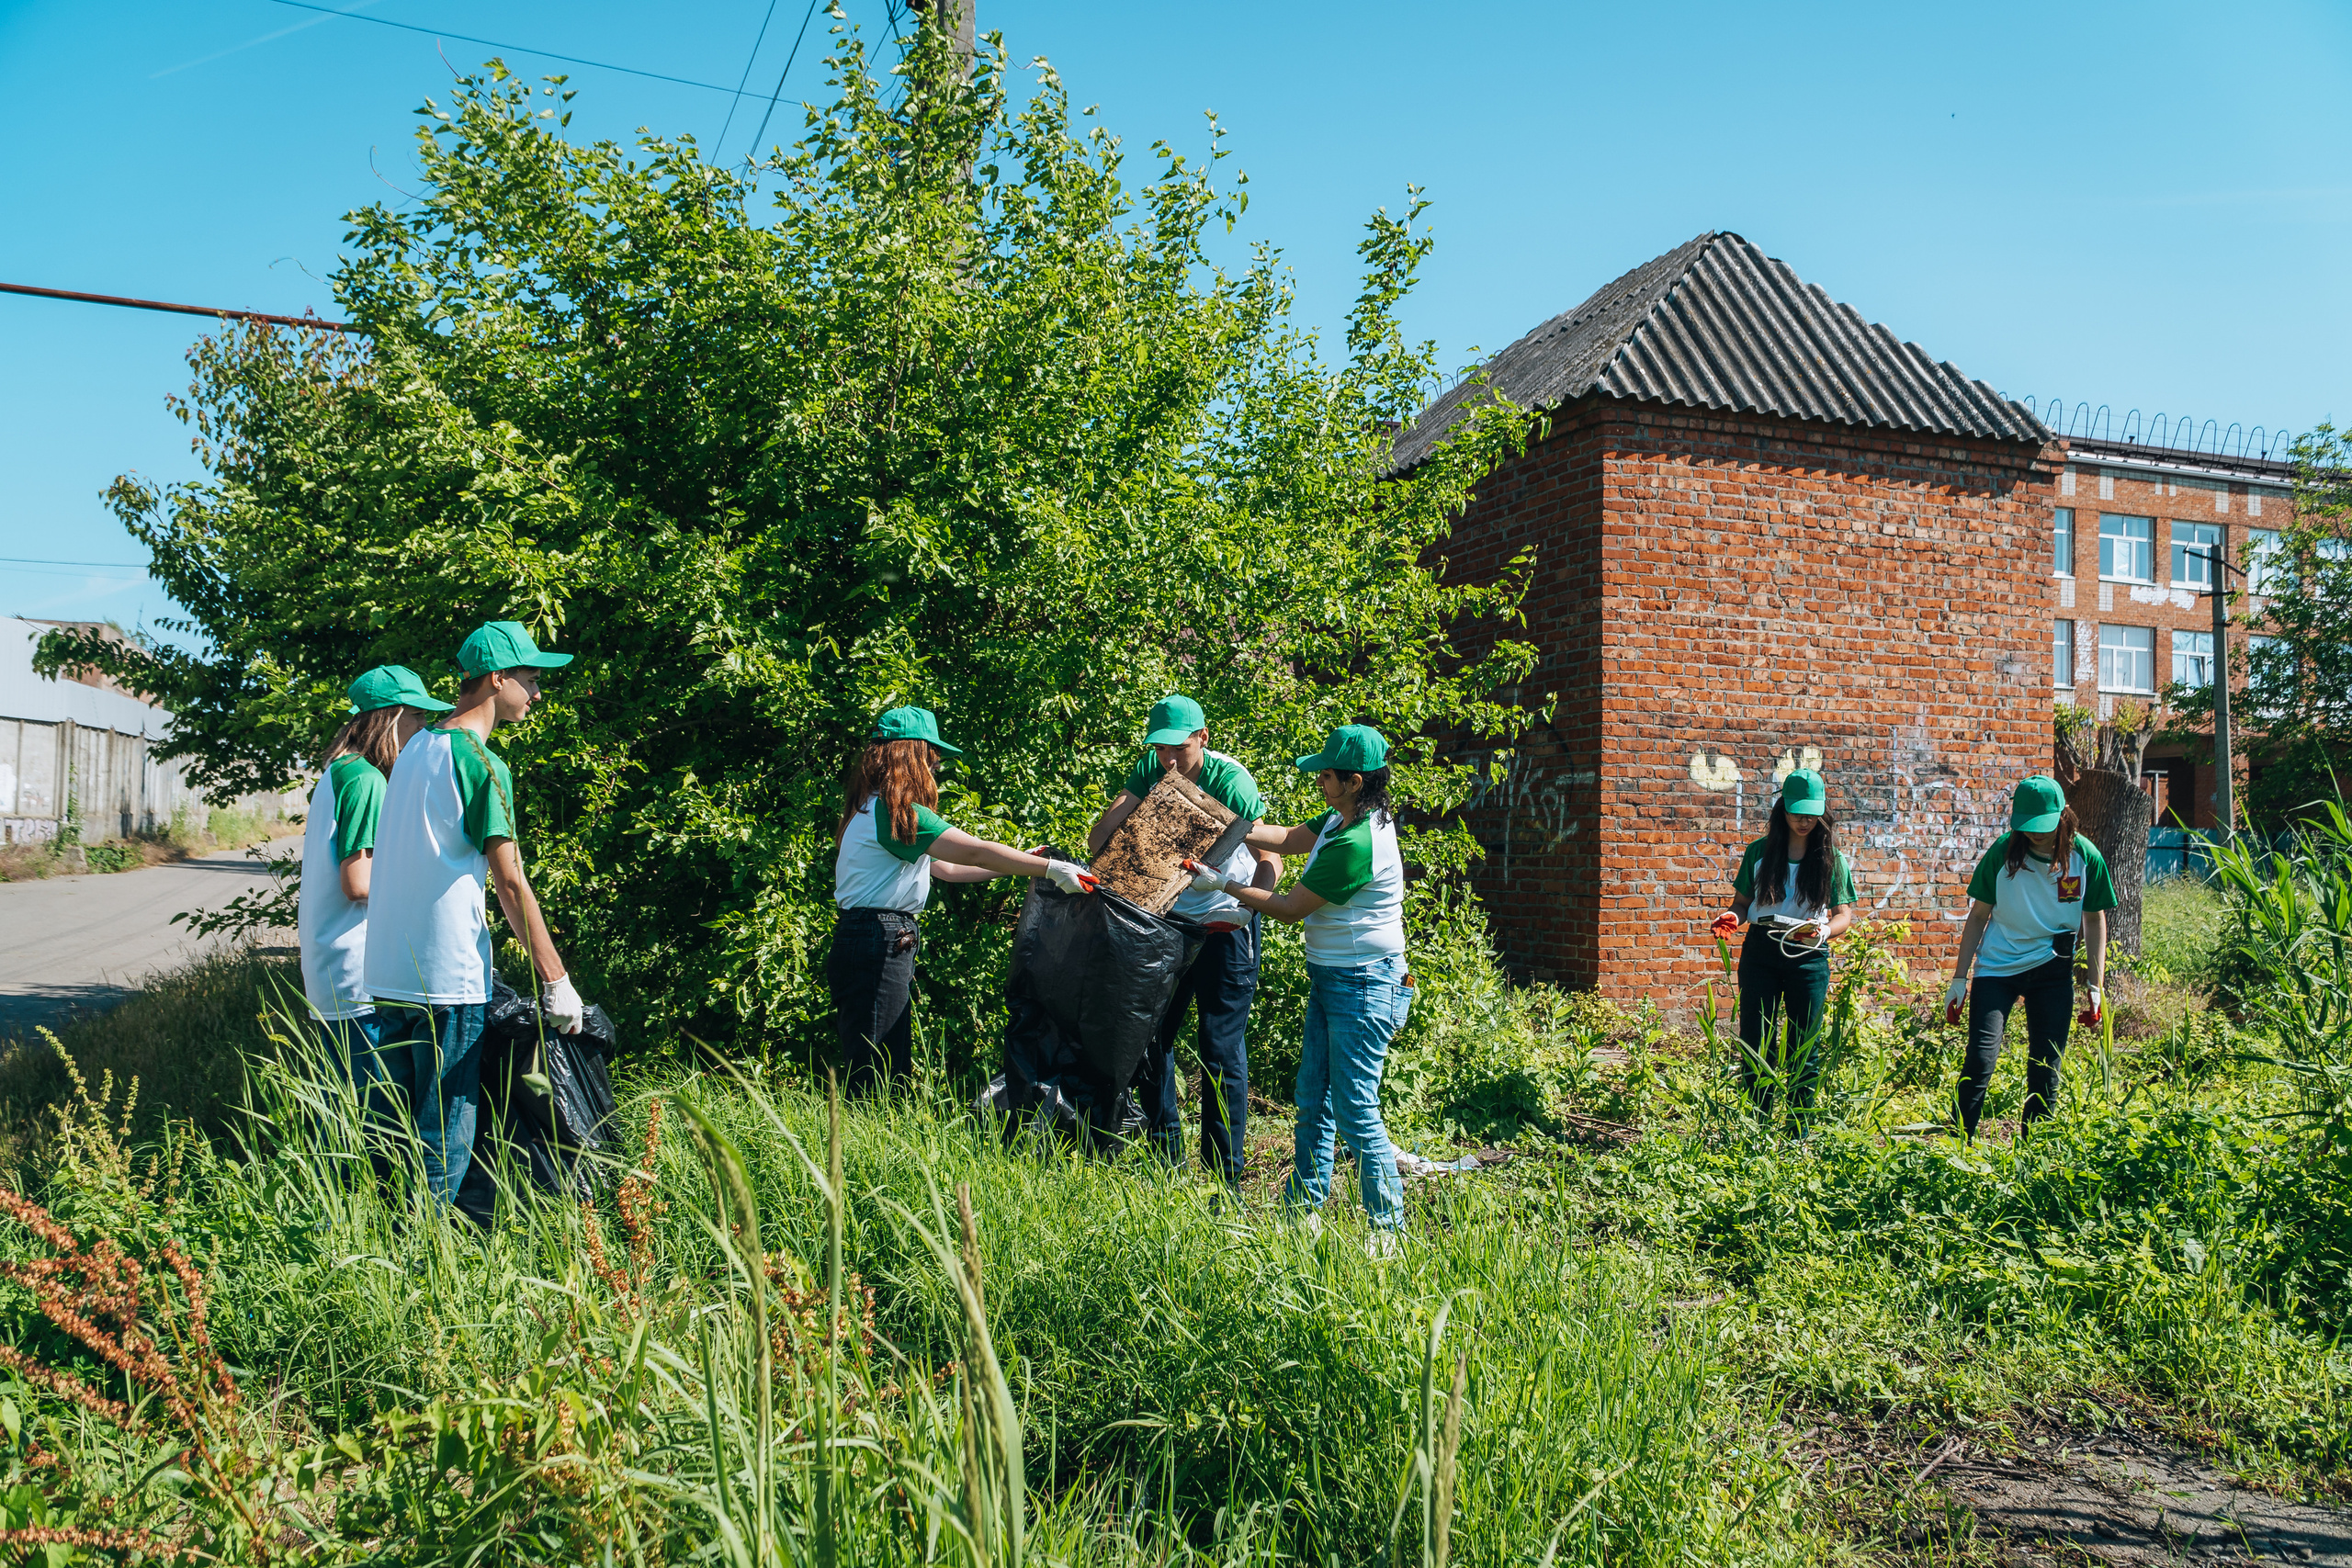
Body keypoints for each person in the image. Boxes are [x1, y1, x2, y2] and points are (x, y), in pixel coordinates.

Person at [366, 621, 587, 1208]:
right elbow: (510, 881)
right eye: (531, 680)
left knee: (397, 1139)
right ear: (496, 679)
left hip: (388, 975)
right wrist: (556, 980)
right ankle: (424, 1278)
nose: (536, 694)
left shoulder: (415, 750)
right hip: (446, 982)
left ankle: (387, 1251)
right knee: (444, 1142)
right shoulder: (482, 764)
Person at [1187, 723, 1409, 1240]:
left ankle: (1386, 1229)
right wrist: (1223, 825)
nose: (1319, 782)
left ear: (1354, 781)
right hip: (1335, 978)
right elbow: (1286, 839)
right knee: (1314, 1098)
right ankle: (1304, 1209)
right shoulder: (1343, 817)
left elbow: (1288, 908)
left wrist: (1224, 882)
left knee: (1355, 1110)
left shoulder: (1357, 841)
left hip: (1365, 984)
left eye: (1326, 775)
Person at [832, 705, 1097, 1096]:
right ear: (911, 754)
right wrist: (1051, 870)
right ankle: (862, 1144)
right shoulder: (898, 812)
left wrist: (1025, 862)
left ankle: (868, 1137)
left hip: (867, 938)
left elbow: (949, 869)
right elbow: (973, 851)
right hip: (878, 938)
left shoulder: (867, 808)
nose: (935, 766)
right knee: (878, 1067)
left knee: (879, 1057)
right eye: (931, 756)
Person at [1087, 694, 1281, 1185]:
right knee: (1150, 1039)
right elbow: (1098, 842)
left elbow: (1270, 856)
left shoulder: (1230, 781)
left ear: (1203, 739)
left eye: (1178, 749)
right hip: (1166, 923)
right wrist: (1138, 796)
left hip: (1225, 925)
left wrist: (1252, 905)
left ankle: (1225, 1181)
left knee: (1220, 1049)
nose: (1169, 760)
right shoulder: (1151, 770)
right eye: (1159, 750)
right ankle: (1165, 1164)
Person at [297, 665, 451, 1110]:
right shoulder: (366, 780)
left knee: (346, 1110)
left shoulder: (339, 771)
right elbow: (358, 883)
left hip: (334, 969)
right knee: (375, 1120)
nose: (423, 727)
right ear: (392, 716)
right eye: (418, 716)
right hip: (358, 976)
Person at [1943, 775, 2113, 1140]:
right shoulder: (2004, 852)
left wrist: (2096, 987)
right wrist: (1959, 979)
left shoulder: (2086, 857)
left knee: (2046, 1066)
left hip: (2053, 971)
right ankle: (1959, 1143)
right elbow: (1978, 915)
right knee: (1980, 1059)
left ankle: (2033, 1153)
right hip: (1998, 968)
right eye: (2027, 826)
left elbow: (2094, 919)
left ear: (2063, 814)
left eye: (2043, 826)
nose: (2035, 834)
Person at [1715, 767, 1857, 1112]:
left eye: (1811, 813)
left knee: (1804, 1044)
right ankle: (1756, 1123)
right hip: (1762, 949)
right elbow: (1742, 904)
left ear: (1822, 812)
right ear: (1783, 809)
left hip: (1808, 952)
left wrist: (1824, 930)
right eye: (1797, 812)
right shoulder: (1759, 852)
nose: (1804, 820)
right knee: (1756, 1039)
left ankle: (1798, 1128)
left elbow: (1844, 916)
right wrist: (1733, 917)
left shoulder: (1831, 859)